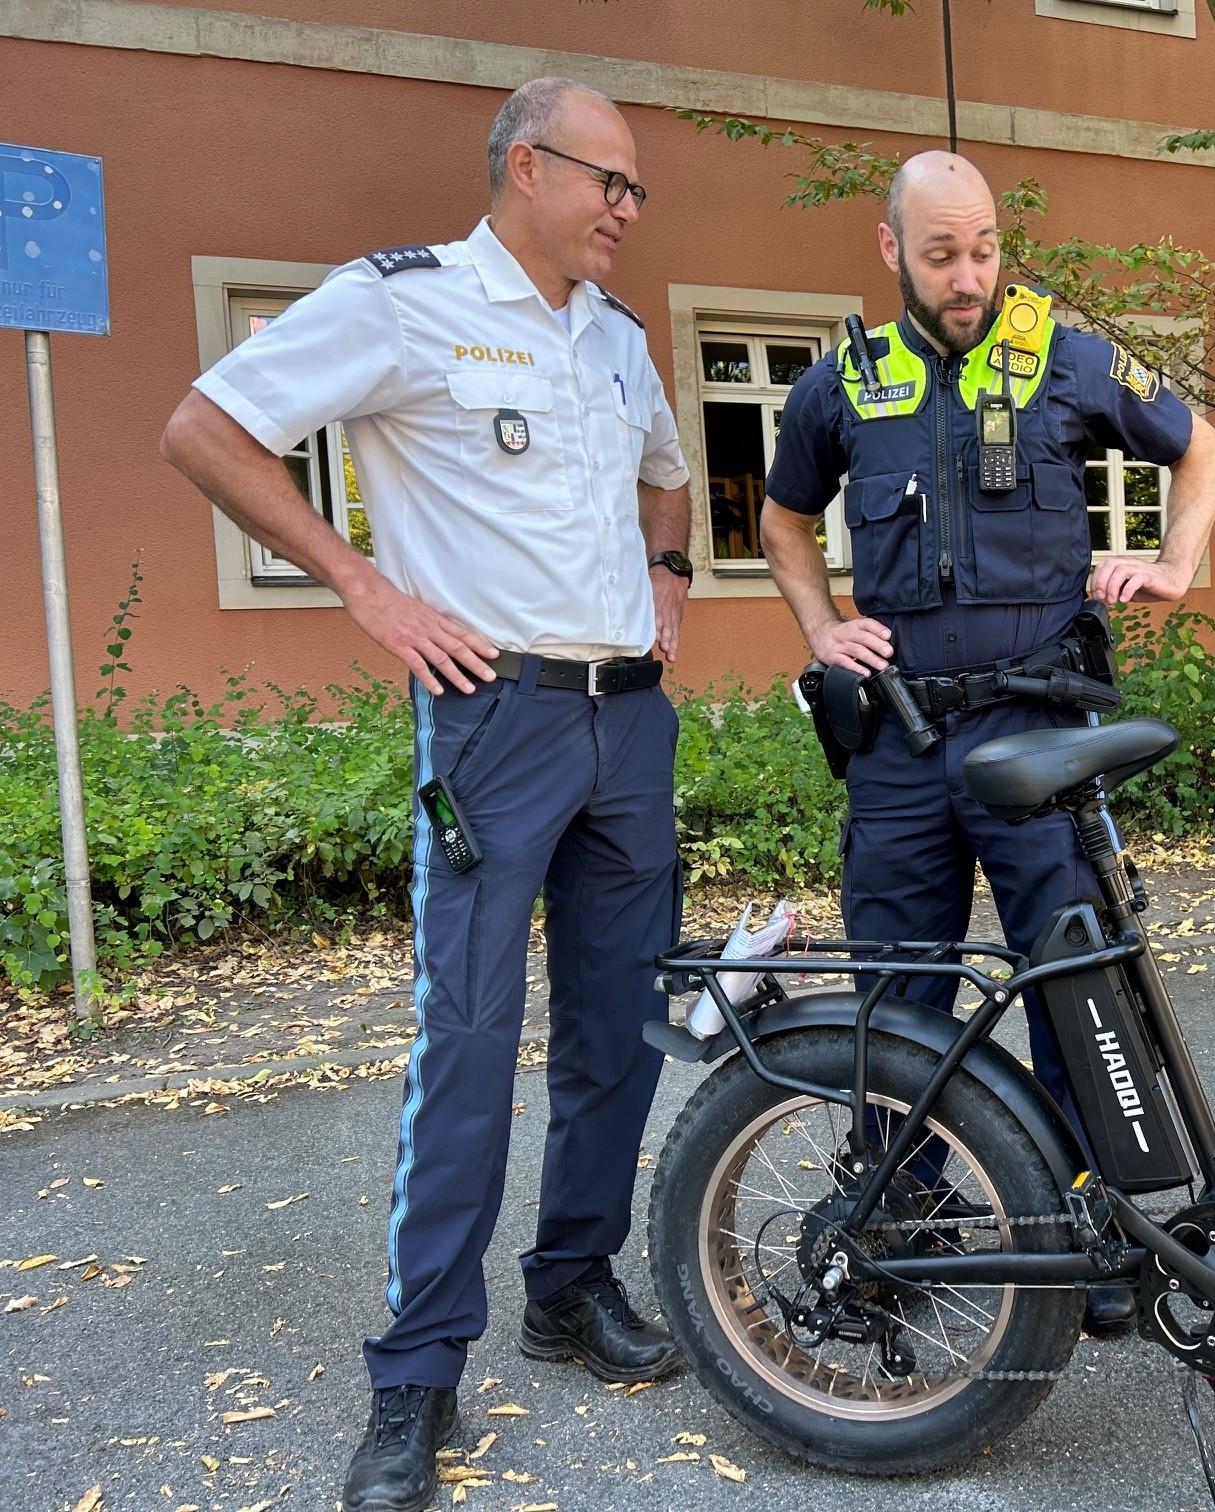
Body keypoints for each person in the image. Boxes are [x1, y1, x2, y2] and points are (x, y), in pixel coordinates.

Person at [160, 77, 695, 1512]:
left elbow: (666, 478)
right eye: (611, 184)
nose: (628, 211)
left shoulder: (620, 337)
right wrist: (364, 587)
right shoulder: (403, 303)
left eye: (635, 190)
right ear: (529, 166)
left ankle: (570, 1289)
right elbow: (206, 428)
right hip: (493, 720)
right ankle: (415, 1374)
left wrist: (671, 571)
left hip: (626, 728)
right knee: (465, 1044)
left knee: (617, 1033)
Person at [760, 150, 1215, 1337]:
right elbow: (778, 517)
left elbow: (1206, 447)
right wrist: (823, 626)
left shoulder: (1066, 359)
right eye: (940, 255)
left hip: (1037, 731)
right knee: (897, 993)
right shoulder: (844, 385)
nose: (967, 278)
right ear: (889, 251)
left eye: (982, 251)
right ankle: (904, 1229)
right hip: (902, 741)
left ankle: (1094, 1228)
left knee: (1073, 981)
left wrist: (1177, 564)